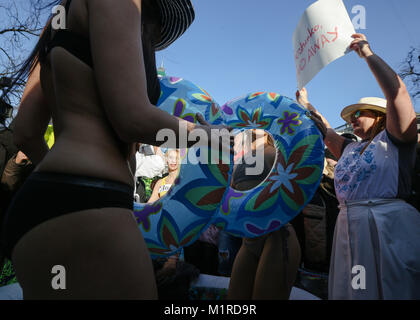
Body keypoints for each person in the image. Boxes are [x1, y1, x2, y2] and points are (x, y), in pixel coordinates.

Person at [0, 0, 232, 299]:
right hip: (93, 205)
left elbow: (25, 132)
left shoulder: (58, 20)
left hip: (36, 208)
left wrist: (60, 185)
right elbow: (132, 118)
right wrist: (208, 135)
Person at [296, 33, 420, 299]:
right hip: (348, 229)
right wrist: (306, 105)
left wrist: (367, 54)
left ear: (379, 116)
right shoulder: (349, 149)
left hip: (388, 228)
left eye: (358, 114)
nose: (352, 120)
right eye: (350, 117)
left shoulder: (397, 138)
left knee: (391, 290)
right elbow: (325, 128)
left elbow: (397, 93)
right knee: (354, 291)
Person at [227, 130, 301, 300]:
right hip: (249, 239)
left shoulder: (277, 152)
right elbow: (232, 196)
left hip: (277, 237)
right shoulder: (241, 156)